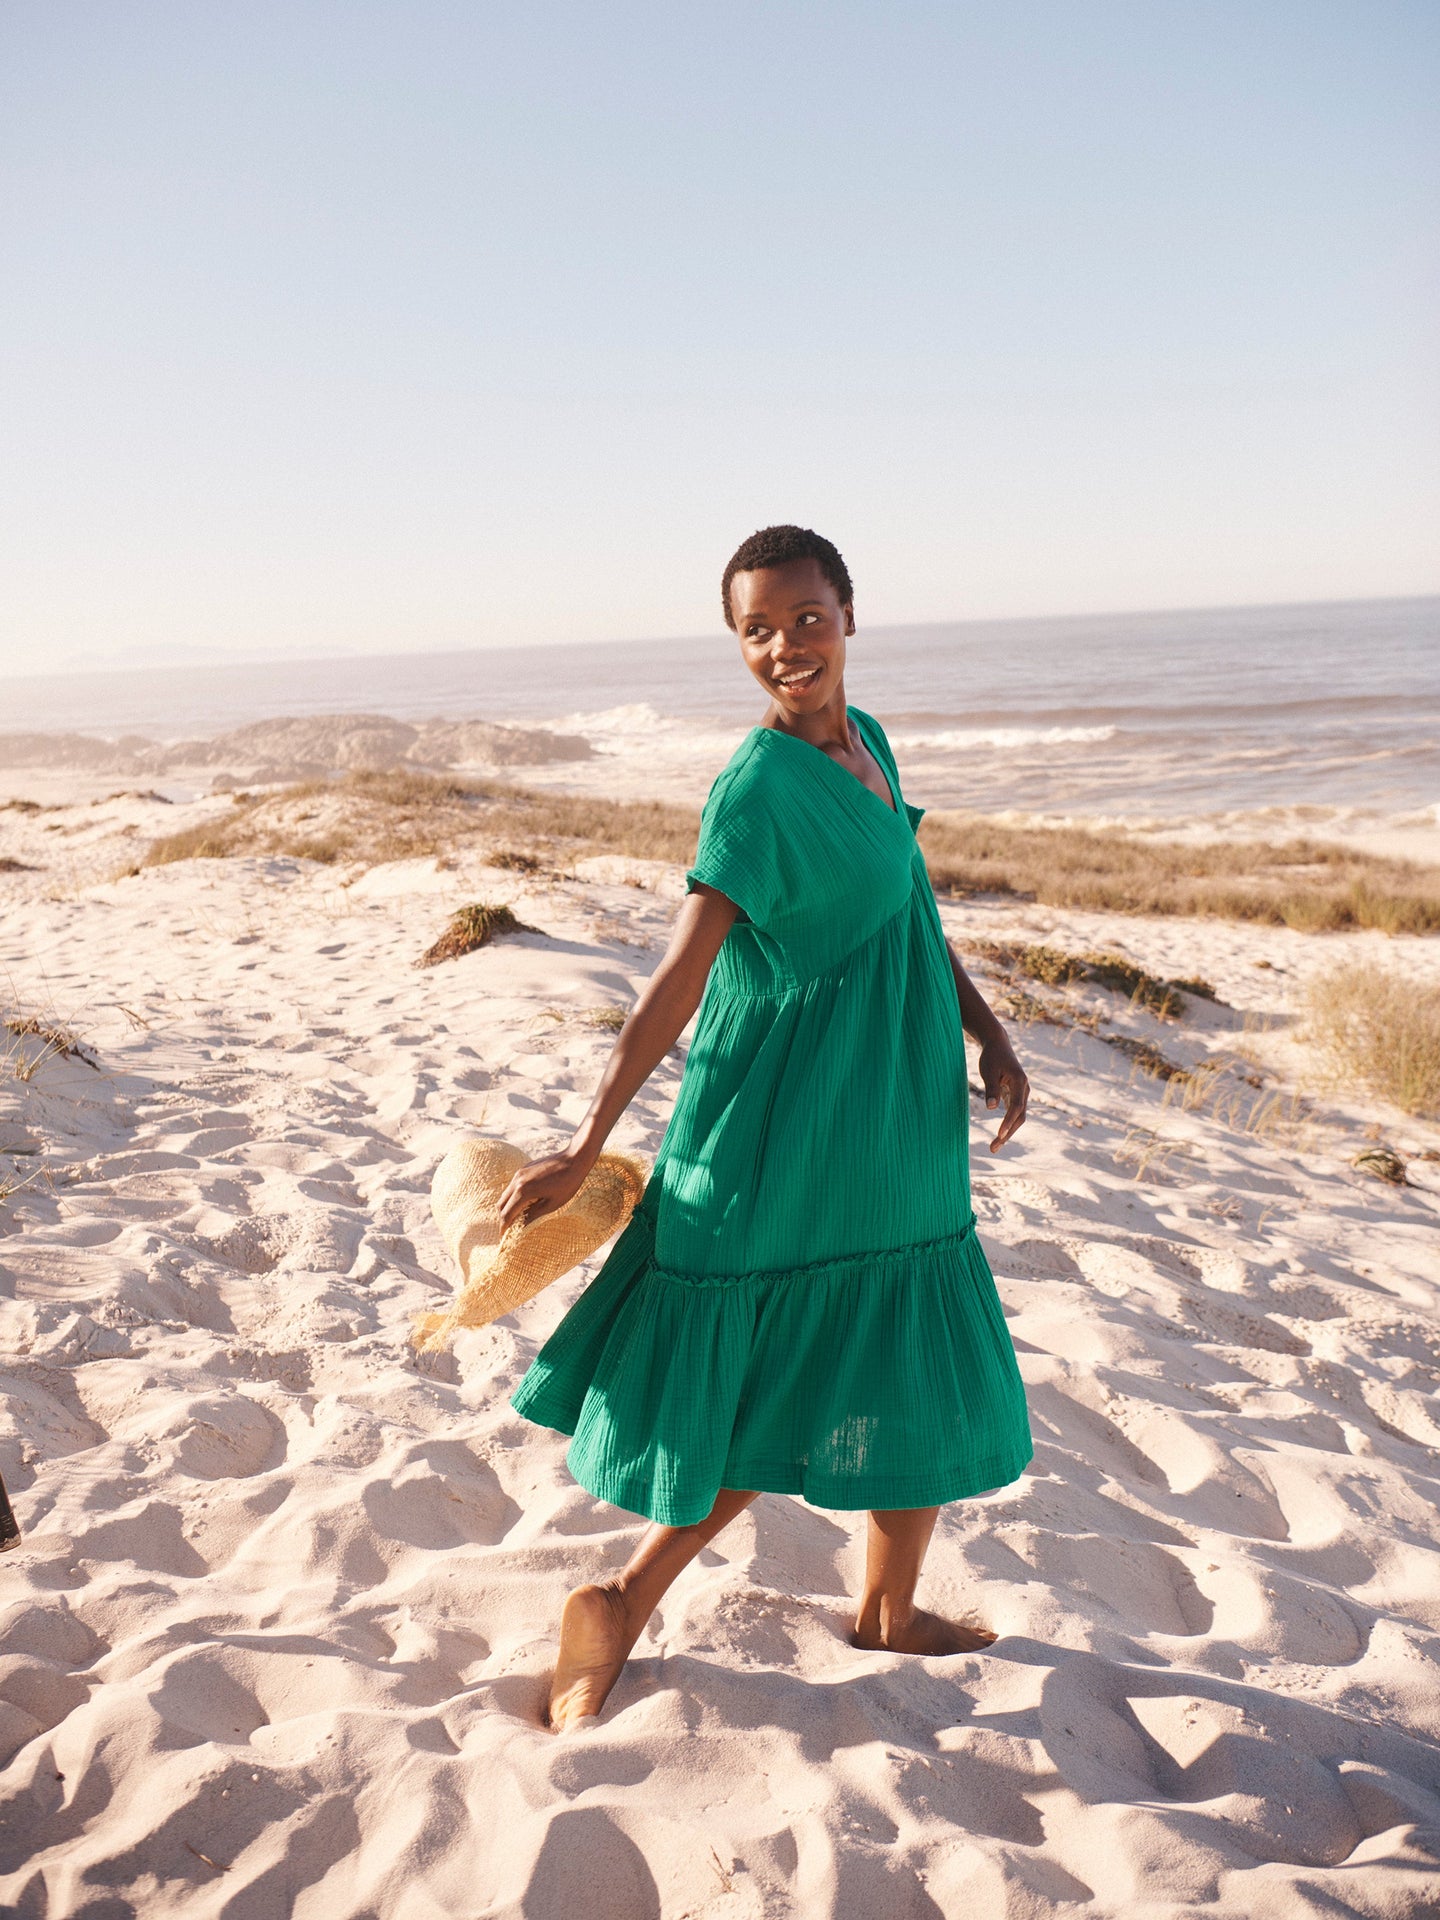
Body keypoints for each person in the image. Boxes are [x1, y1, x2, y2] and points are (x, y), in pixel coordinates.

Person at [498, 525, 1033, 1732]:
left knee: (898, 1336)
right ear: (736, 644)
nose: (786, 647)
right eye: (758, 629)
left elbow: (909, 906)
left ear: (849, 616)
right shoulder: (753, 790)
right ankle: (621, 1607)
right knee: (775, 1370)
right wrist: (588, 1139)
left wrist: (987, 1030)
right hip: (791, 1116)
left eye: (806, 618)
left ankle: (890, 1614)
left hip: (894, 1113)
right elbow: (676, 981)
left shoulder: (872, 744)